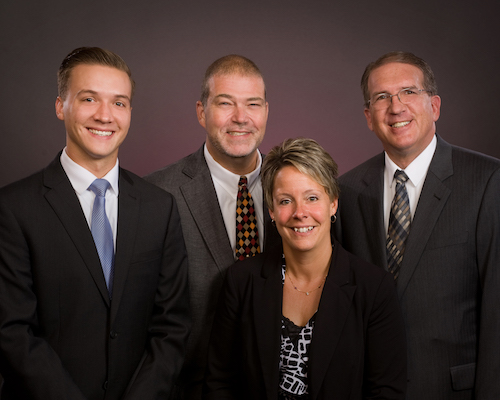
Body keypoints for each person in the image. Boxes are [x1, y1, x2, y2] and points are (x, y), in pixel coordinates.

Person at [0, 47, 190, 400]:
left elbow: (172, 326)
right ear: (61, 106)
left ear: (130, 111)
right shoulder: (13, 209)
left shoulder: (159, 207)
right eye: (89, 99)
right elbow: (11, 333)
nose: (105, 115)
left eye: (119, 103)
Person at [336, 51, 500, 399]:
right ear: (368, 116)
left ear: (435, 106)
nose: (396, 107)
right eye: (382, 97)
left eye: (409, 92)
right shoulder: (346, 191)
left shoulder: (487, 181)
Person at [204, 138, 407, 399]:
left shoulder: (374, 288)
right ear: (272, 211)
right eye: (286, 201)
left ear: (333, 203)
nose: (300, 213)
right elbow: (219, 382)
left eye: (312, 198)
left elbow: (386, 391)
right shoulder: (241, 281)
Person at [145, 54, 280, 399]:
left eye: (252, 104)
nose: (241, 118)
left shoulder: (297, 189)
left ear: (266, 111)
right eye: (225, 104)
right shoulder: (156, 195)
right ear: (201, 112)